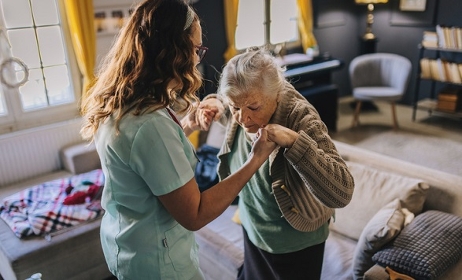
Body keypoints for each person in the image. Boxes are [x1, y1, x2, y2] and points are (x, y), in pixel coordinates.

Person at [80, 1, 277, 279]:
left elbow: (145, 158)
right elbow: (194, 213)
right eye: (196, 49)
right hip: (159, 264)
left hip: (126, 244)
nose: (198, 58)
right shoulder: (150, 125)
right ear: (173, 50)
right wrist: (255, 158)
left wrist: (187, 125)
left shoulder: (120, 101)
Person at [201, 47, 355, 280]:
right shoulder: (244, 102)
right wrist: (216, 104)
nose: (242, 119)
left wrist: (295, 143)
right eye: (235, 108)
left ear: (277, 94)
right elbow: (230, 103)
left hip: (294, 246)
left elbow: (342, 192)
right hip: (253, 229)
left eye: (253, 108)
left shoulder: (302, 119)